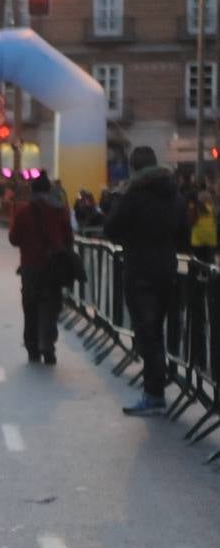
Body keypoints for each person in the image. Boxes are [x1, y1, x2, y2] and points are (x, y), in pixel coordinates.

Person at [103, 146, 190, 416]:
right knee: (156, 330)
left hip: (139, 271)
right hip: (166, 269)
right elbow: (184, 235)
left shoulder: (134, 195)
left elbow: (111, 229)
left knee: (145, 332)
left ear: (134, 168)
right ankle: (156, 384)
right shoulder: (174, 195)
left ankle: (154, 391)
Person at [8, 174, 74, 365]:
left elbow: (14, 239)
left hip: (30, 267)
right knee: (50, 306)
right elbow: (68, 238)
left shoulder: (24, 212)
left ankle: (32, 347)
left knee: (30, 307)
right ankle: (48, 345)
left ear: (33, 191)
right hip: (53, 267)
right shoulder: (59, 211)